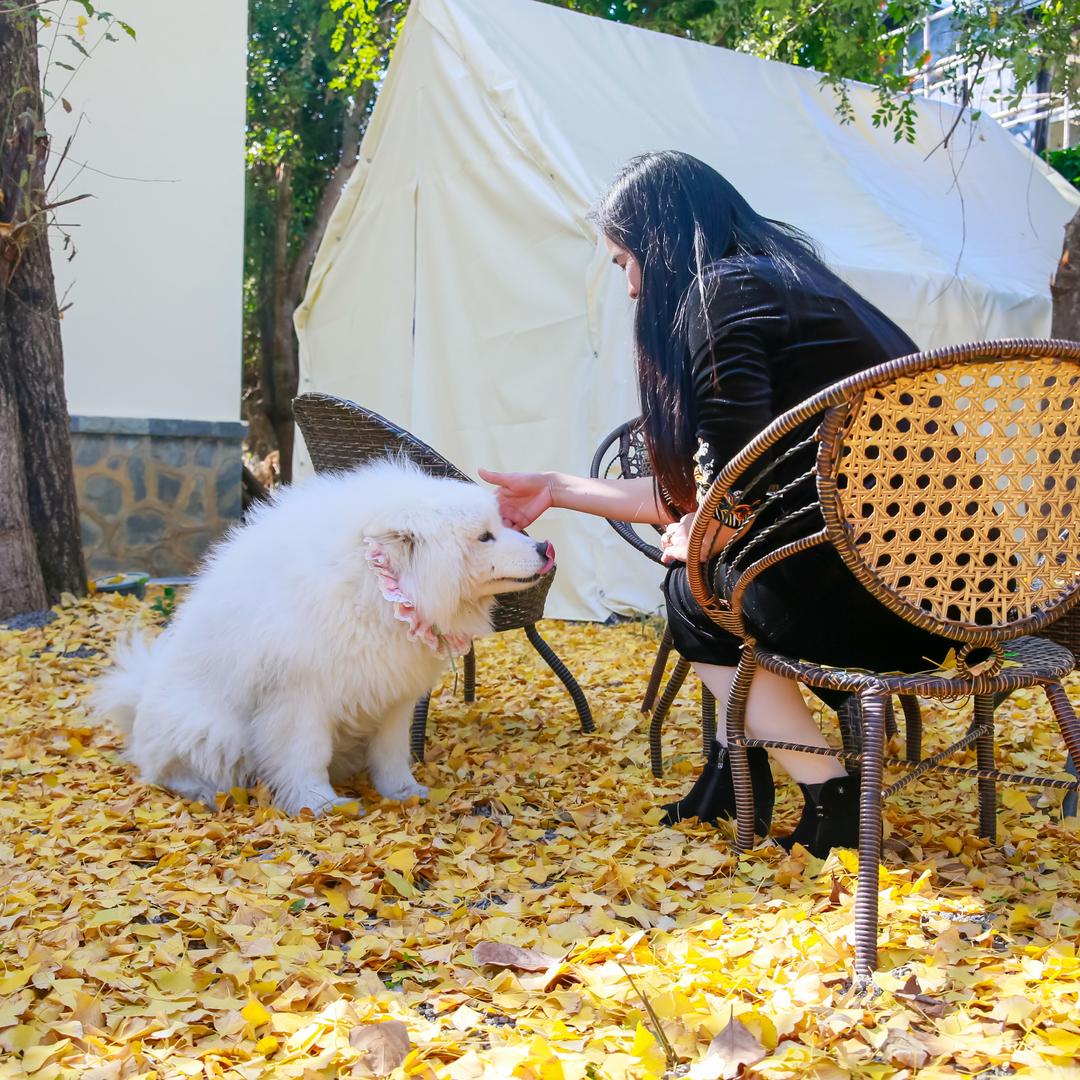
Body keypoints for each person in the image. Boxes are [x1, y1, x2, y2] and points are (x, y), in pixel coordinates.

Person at [480, 151, 953, 858]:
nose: (632, 287)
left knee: (694, 593)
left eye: (624, 262)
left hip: (882, 604)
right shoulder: (794, 286)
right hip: (956, 593)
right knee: (708, 573)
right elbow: (704, 497)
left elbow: (733, 491)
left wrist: (704, 538)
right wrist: (557, 486)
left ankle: (833, 799)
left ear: (659, 244)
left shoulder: (722, 297)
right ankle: (753, 772)